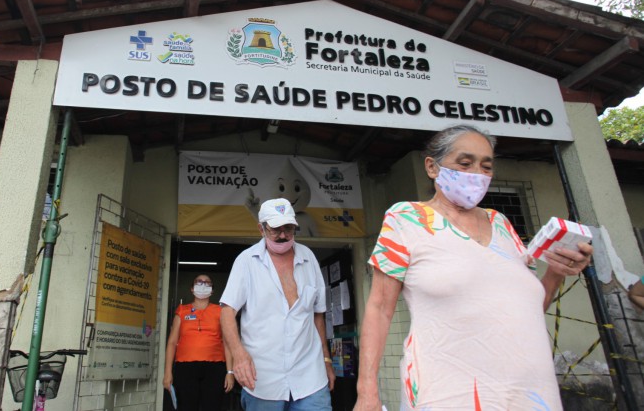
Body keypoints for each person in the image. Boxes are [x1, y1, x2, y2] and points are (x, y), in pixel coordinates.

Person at [354, 125, 593, 411]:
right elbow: (379, 308)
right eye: (465, 163)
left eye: (486, 166)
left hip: (531, 392)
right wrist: (367, 392)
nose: (477, 174)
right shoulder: (407, 218)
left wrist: (556, 271)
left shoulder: (501, 223)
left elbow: (526, 308)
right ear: (432, 167)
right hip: (449, 392)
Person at [220, 198, 336, 411]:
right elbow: (227, 312)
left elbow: (318, 314)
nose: (283, 235)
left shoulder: (308, 258)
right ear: (261, 229)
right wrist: (238, 354)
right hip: (262, 380)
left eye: (289, 228)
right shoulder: (246, 261)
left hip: (310, 377)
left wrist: (326, 359)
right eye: (276, 229)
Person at [163, 274, 234, 411]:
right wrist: (167, 372)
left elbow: (227, 343)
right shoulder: (182, 311)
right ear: (192, 288)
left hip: (215, 367)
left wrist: (230, 372)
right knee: (186, 407)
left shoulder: (220, 311)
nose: (202, 285)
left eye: (207, 282)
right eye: (199, 282)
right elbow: (172, 342)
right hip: (186, 367)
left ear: (212, 290)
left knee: (212, 406)